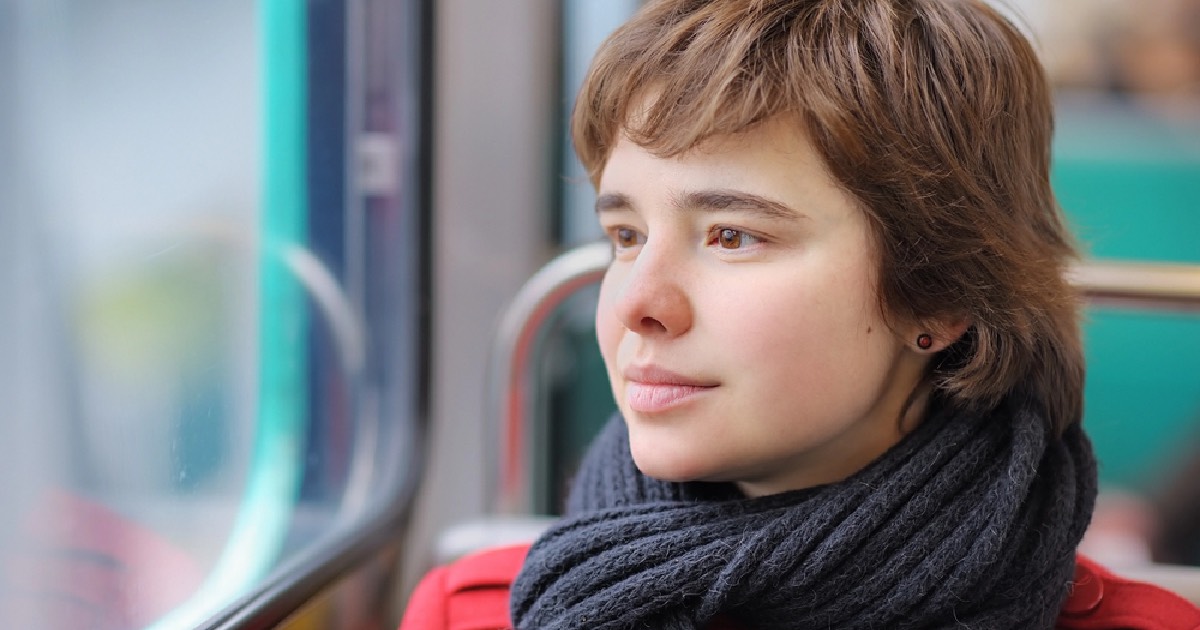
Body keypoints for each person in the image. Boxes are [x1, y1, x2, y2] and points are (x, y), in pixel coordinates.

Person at [401, 0, 1200, 628]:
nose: (639, 305)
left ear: (939, 293)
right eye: (625, 235)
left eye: (733, 236)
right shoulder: (472, 612)